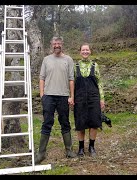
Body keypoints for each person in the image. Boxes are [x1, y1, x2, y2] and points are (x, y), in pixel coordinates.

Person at [35, 36, 77, 164]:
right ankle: (41, 153)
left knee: (65, 122)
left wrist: (72, 96)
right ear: (51, 45)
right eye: (54, 43)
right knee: (47, 122)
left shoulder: (68, 59)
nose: (57, 45)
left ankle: (69, 150)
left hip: (64, 96)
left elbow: (71, 79)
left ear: (62, 44)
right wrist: (42, 94)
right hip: (48, 96)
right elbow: (42, 78)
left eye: (59, 43)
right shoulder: (46, 60)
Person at [73, 43, 105, 157]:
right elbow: (71, 84)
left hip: (93, 97)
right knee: (80, 123)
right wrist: (71, 97)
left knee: (94, 122)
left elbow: (99, 82)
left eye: (87, 50)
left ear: (90, 51)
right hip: (80, 98)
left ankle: (92, 147)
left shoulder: (95, 65)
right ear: (80, 52)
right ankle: (81, 148)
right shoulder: (75, 66)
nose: (85, 52)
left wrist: (102, 99)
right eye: (83, 50)